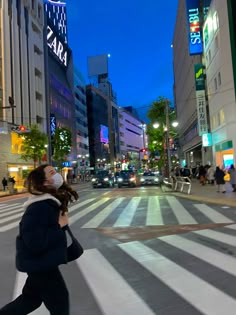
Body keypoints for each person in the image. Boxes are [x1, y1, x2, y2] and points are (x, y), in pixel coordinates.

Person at [0, 164, 79, 315]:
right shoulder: (39, 206)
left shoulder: (48, 203)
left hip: (39, 263)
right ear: (44, 182)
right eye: (52, 172)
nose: (57, 175)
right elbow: (34, 242)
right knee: (60, 304)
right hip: (40, 265)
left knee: (31, 300)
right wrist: (59, 225)